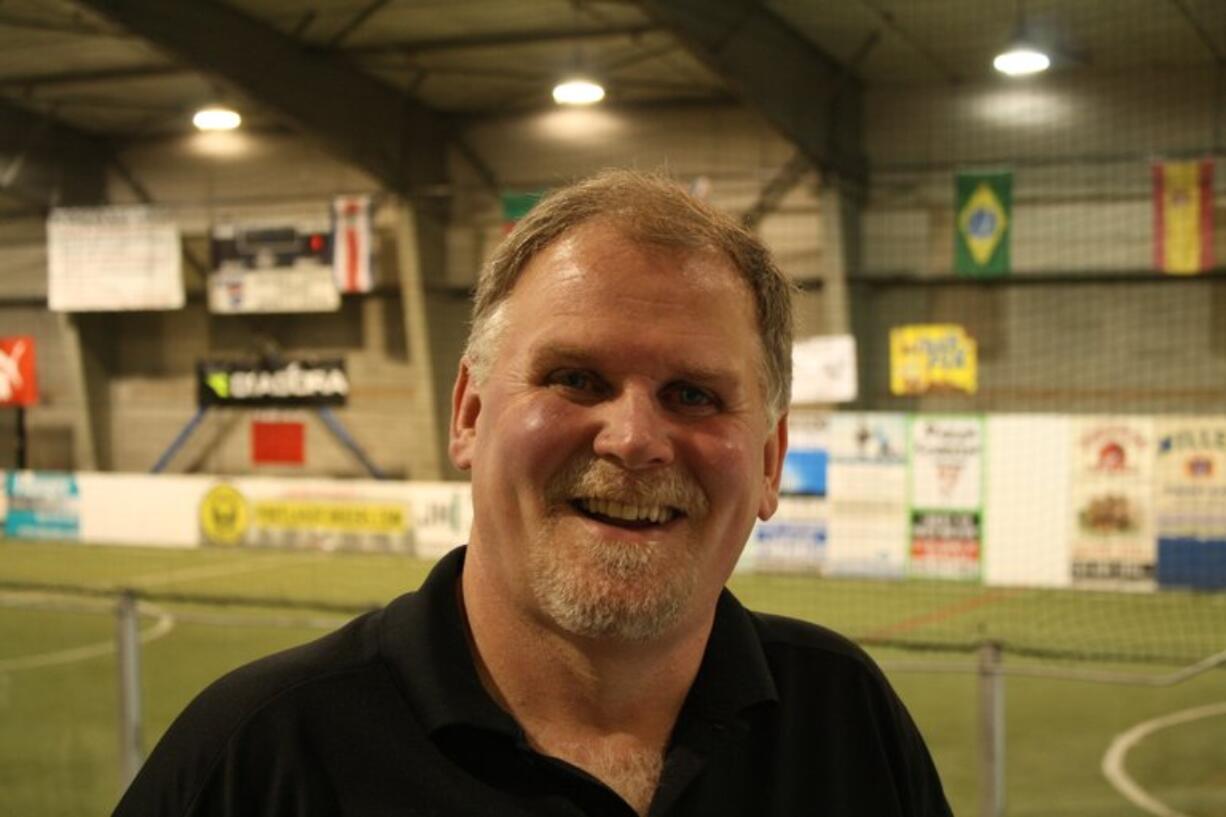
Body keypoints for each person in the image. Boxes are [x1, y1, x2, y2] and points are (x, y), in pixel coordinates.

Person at [114, 171, 951, 817]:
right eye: (575, 377)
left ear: (770, 461)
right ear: (470, 412)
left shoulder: (848, 723)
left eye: (693, 394)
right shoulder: (259, 754)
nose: (632, 439)